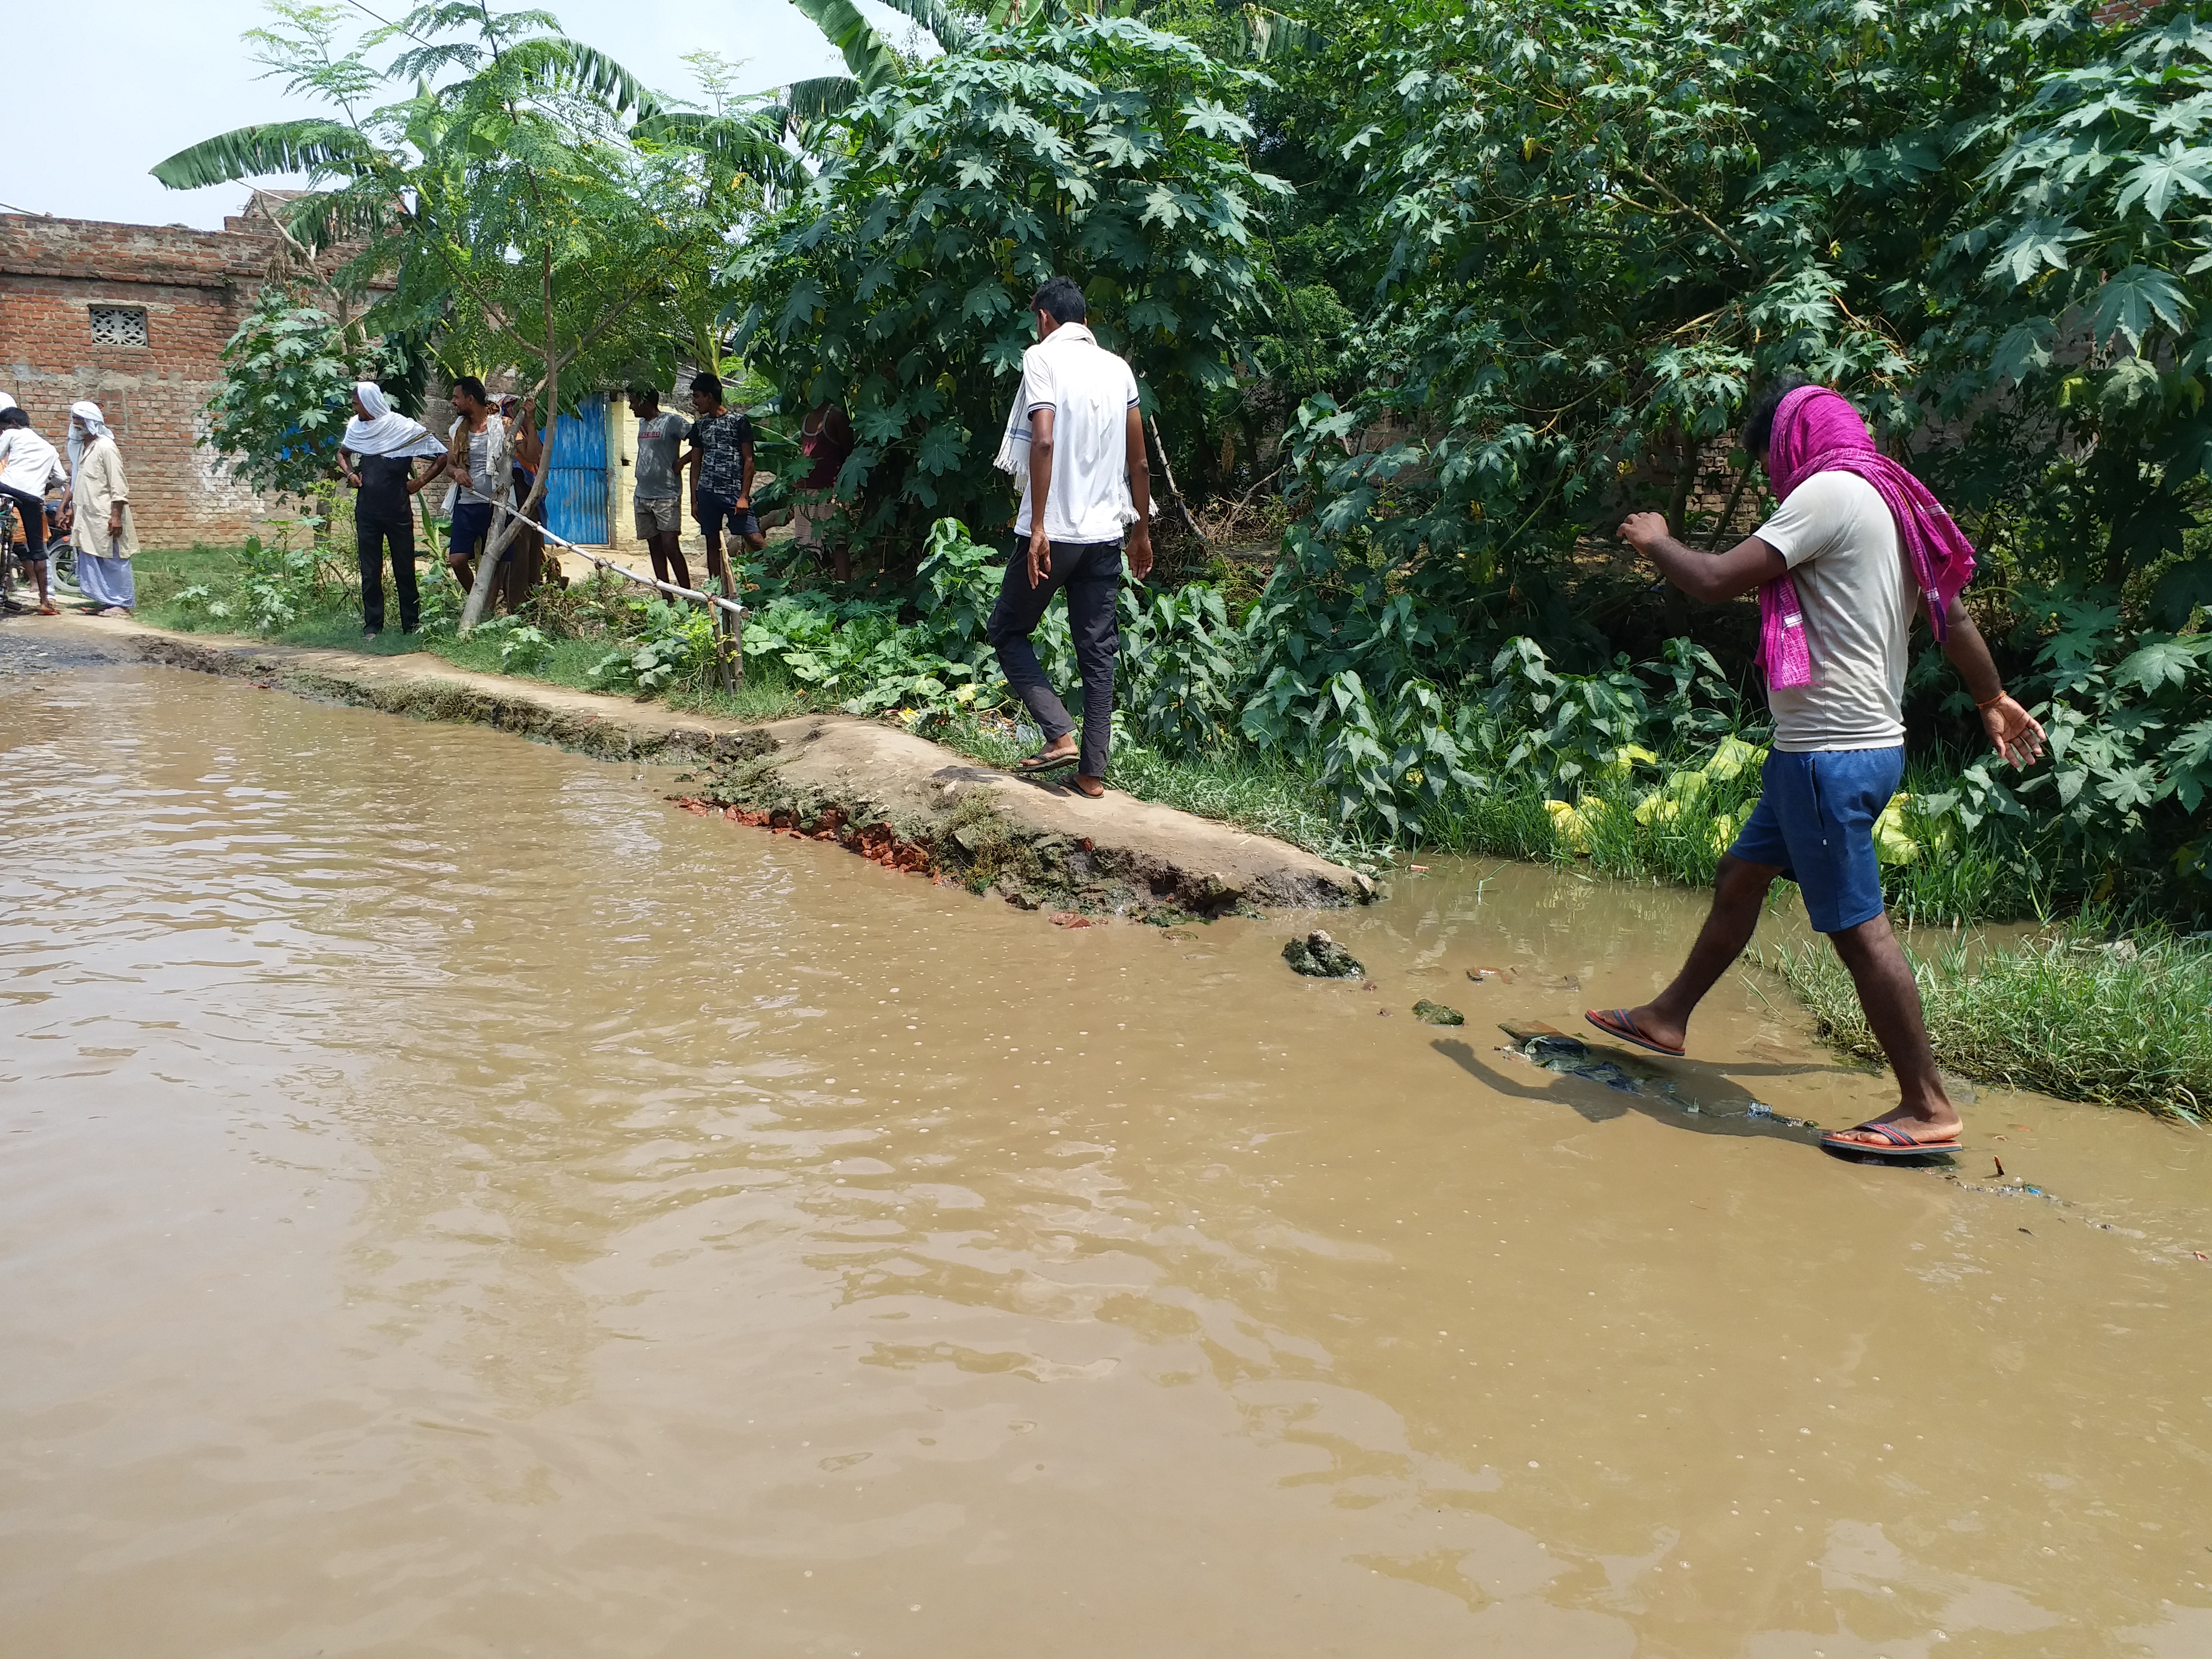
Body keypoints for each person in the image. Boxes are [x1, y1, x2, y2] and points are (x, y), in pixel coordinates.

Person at [1592, 376, 2047, 1159]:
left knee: (1855, 930)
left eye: (1768, 453)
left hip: (1825, 758)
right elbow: (1956, 614)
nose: (1773, 469)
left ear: (1789, 441)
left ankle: (1926, 1105)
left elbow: (1710, 581)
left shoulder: (1827, 494)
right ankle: (1667, 1016)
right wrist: (1991, 695)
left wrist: (1654, 537)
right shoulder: (1891, 502)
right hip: (1850, 748)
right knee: (1741, 873)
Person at [986, 275, 1154, 800]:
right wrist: (1142, 532)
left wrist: (1037, 526)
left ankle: (1058, 733)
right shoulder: (1118, 369)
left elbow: (1043, 437)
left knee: (1008, 630)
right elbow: (1140, 460)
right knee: (1098, 652)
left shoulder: (1041, 359)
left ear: (1043, 318)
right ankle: (1091, 776)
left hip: (1054, 532)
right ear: (1086, 320)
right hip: (1106, 535)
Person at [336, 381, 448, 637]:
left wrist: (419, 483)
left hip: (398, 512)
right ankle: (372, 626)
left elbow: (441, 456)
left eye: (357, 403)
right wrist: (351, 474)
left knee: (405, 568)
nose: (354, 408)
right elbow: (342, 454)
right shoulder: (357, 428)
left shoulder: (403, 428)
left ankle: (411, 625)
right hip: (367, 512)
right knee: (370, 570)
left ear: (369, 402)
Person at [680, 371, 762, 601]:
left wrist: (744, 496)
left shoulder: (739, 422)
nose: (694, 402)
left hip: (734, 494)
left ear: (710, 396)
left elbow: (749, 461)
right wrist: (694, 501)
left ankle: (776, 580)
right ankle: (719, 593)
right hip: (707, 495)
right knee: (712, 542)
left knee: (755, 539)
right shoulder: (700, 427)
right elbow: (695, 466)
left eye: (697, 396)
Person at [67, 402, 137, 615]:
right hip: (86, 514)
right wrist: (69, 509)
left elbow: (118, 485)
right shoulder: (81, 448)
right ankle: (106, 600)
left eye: (80, 419)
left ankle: (122, 604)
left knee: (113, 559)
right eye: (74, 419)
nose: (76, 423)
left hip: (105, 514)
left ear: (92, 422)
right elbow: (77, 483)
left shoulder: (106, 447)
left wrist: (116, 517)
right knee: (92, 556)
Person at [442, 375, 509, 596]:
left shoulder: (501, 426)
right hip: (467, 503)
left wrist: (527, 420)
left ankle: (490, 605)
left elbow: (531, 454)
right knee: (457, 559)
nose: (453, 402)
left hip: (495, 505)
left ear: (470, 399)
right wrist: (458, 472)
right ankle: (476, 599)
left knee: (499, 559)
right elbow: (450, 466)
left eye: (456, 397)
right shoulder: (456, 430)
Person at [0, 406, 65, 614]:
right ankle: (45, 602)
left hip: (6, 488)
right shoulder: (50, 449)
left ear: (12, 424)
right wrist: (46, 487)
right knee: (37, 550)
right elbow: (61, 479)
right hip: (32, 497)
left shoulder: (12, 434)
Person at [627, 385, 693, 591]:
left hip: (666, 495)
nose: (631, 407)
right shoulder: (642, 424)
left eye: (634, 401)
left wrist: (682, 462)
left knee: (670, 546)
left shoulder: (672, 422)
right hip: (642, 495)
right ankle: (668, 597)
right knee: (654, 547)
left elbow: (699, 441)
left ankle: (689, 595)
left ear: (645, 402)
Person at [793, 402, 854, 582]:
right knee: (812, 547)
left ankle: (845, 591)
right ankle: (824, 590)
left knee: (837, 544)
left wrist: (845, 489)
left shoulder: (835, 416)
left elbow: (849, 452)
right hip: (806, 491)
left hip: (830, 490)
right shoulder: (806, 419)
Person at [497, 394, 546, 610]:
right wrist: (530, 420)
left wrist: (531, 422)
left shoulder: (523, 429)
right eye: (511, 407)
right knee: (520, 549)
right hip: (517, 491)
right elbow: (531, 454)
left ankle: (533, 600)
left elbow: (539, 454)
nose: (515, 411)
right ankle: (517, 605)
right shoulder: (507, 425)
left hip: (528, 492)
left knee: (533, 548)